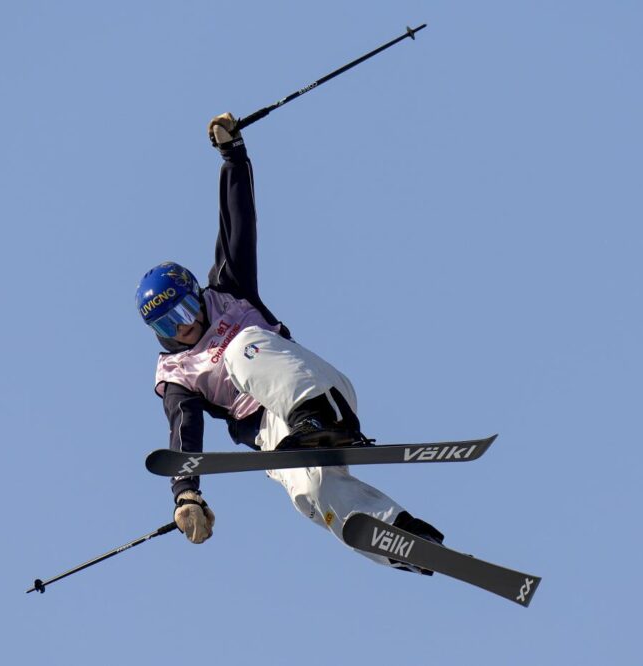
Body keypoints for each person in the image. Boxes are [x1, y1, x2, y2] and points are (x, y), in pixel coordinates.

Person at [134, 113, 443, 572]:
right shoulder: (177, 375)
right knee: (310, 492)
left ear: (197, 295)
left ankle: (321, 418)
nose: (182, 329)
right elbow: (184, 434)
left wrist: (232, 155)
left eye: (183, 311)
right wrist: (187, 495)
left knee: (240, 350)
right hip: (273, 433)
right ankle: (400, 539)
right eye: (166, 326)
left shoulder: (228, 291)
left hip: (314, 389)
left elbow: (238, 222)